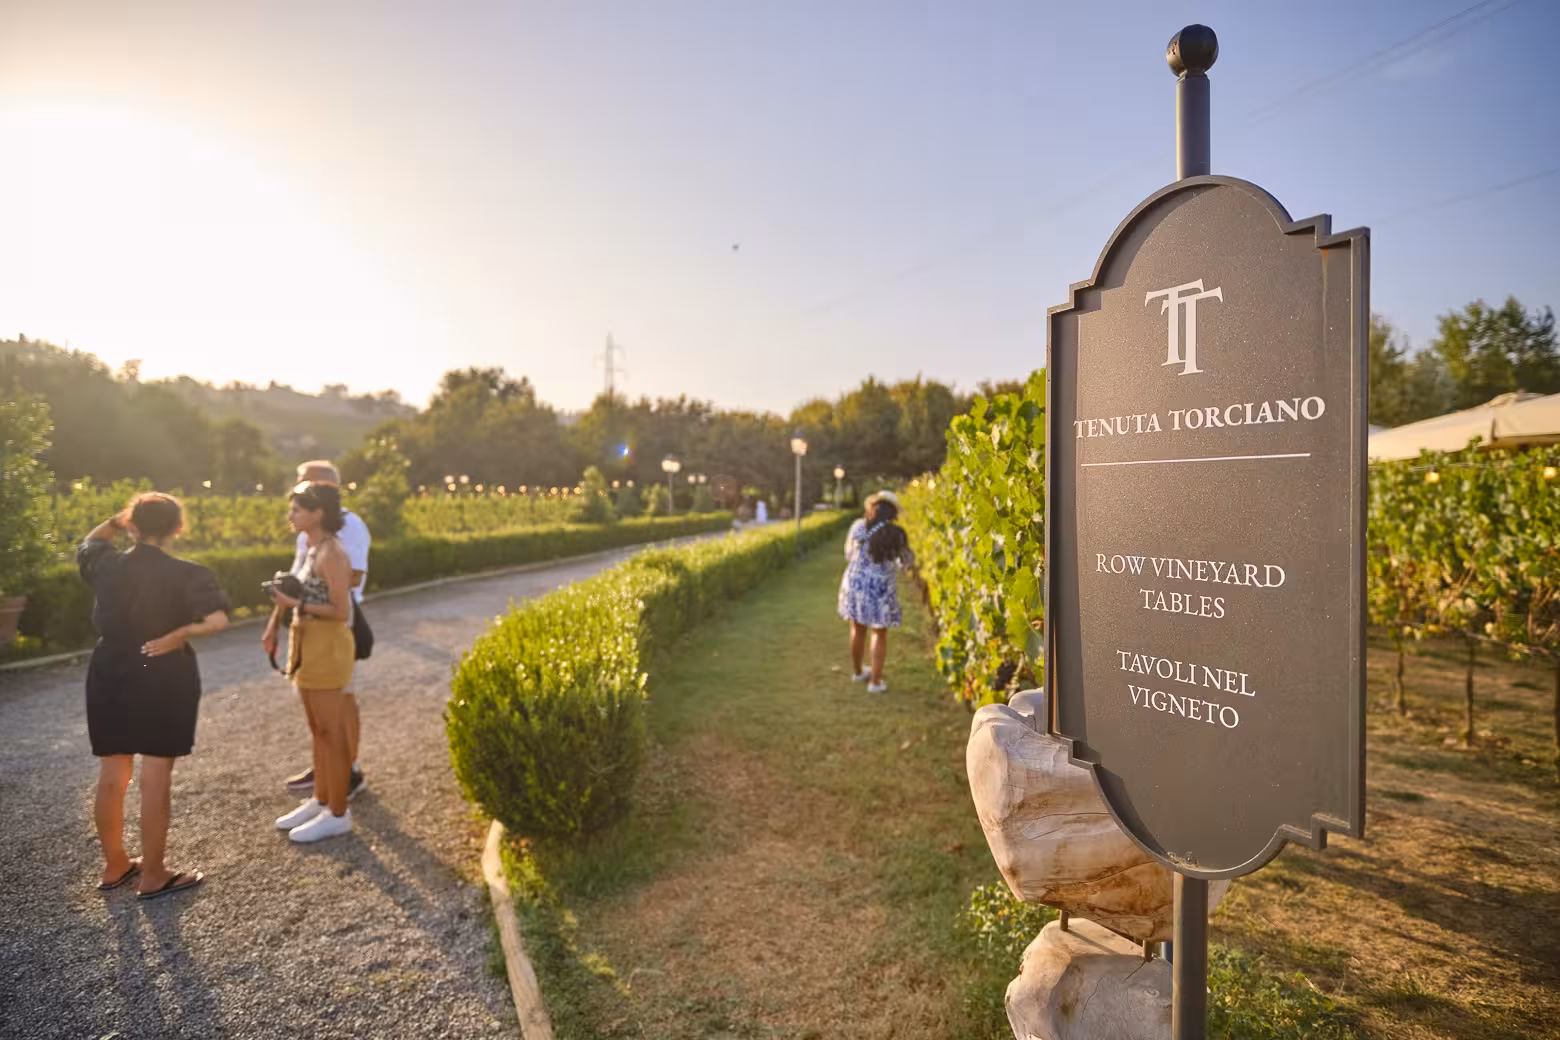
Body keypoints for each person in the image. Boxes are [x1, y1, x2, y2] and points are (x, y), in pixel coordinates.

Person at [78, 493, 230, 899]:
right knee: (155, 775)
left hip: (110, 669)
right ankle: (154, 875)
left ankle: (115, 866)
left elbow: (90, 541)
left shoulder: (106, 565)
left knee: (112, 772)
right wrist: (182, 633)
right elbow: (217, 620)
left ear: (133, 524)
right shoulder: (190, 573)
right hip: (163, 669)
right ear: (178, 528)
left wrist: (118, 521)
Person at [265, 482, 358, 842]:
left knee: (331, 732)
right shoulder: (312, 548)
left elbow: (341, 610)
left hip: (327, 647)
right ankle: (321, 800)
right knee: (319, 731)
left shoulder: (332, 553)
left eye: (296, 509)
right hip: (308, 644)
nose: (290, 515)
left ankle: (339, 812)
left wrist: (295, 605)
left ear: (318, 513)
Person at [280, 460, 371, 801]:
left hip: (337, 621)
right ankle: (328, 775)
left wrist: (311, 595)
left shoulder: (348, 528)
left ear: (325, 488)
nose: (298, 491)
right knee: (323, 712)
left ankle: (348, 772)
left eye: (305, 484)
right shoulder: (312, 536)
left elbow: (353, 577)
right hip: (311, 621)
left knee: (341, 700)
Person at [837, 491, 914, 694]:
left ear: (873, 508)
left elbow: (849, 554)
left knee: (857, 628)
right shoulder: (897, 534)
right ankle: (875, 682)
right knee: (879, 633)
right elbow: (906, 563)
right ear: (893, 512)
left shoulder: (858, 526)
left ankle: (858, 672)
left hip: (855, 584)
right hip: (881, 588)